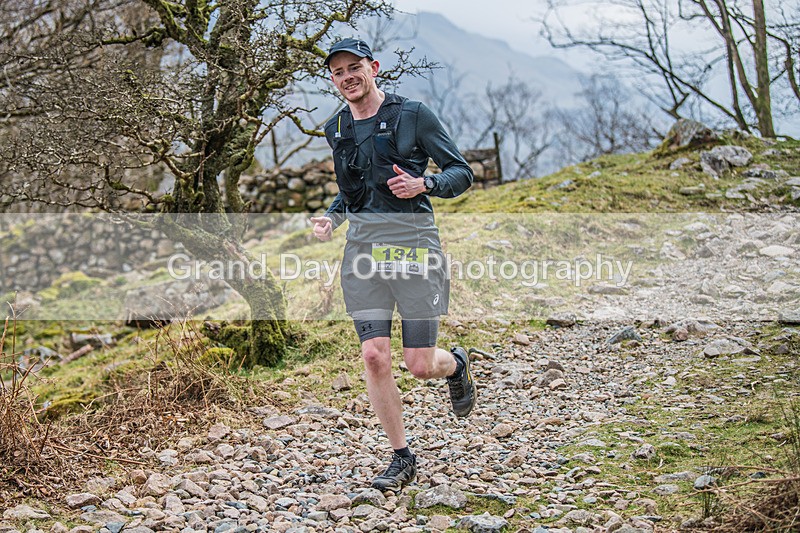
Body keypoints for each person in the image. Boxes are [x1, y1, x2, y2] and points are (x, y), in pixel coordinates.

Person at [310, 38, 477, 492]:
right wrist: (331, 217)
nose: (347, 76)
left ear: (373, 67)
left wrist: (425, 183)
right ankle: (402, 457)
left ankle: (456, 364)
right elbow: (352, 190)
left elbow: (462, 172)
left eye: (354, 67)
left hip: (414, 247)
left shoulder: (413, 115)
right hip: (363, 253)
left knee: (420, 365)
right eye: (338, 71)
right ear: (332, 79)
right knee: (374, 356)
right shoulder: (337, 127)